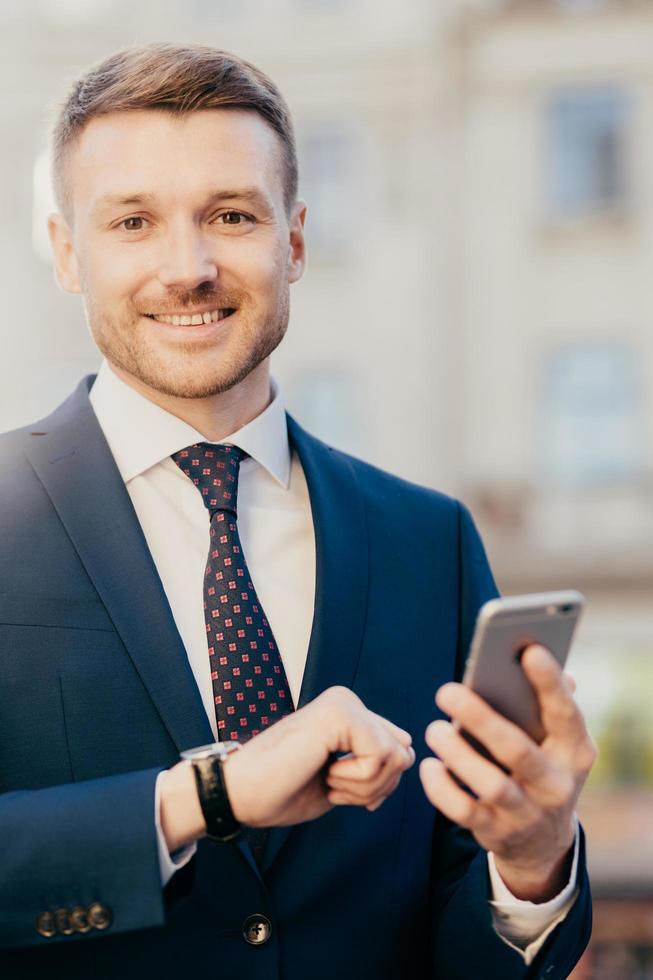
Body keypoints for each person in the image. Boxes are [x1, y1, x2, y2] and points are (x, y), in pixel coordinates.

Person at [0, 42, 595, 979]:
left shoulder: (426, 542)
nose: (186, 266)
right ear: (69, 253)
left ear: (296, 240)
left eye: (231, 215)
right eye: (134, 222)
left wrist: (529, 865)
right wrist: (205, 794)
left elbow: (459, 941)